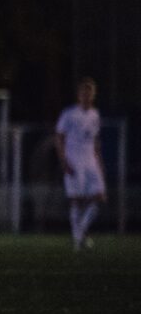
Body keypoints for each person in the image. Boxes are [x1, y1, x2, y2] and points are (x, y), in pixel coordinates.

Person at [55, 77, 106, 251]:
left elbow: (95, 141)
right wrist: (63, 161)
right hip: (74, 160)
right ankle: (78, 241)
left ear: (93, 95)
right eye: (84, 92)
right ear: (79, 95)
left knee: (99, 197)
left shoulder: (95, 114)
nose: (87, 95)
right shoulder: (69, 114)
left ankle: (80, 233)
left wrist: (99, 164)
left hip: (91, 161)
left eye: (90, 92)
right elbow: (59, 137)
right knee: (76, 201)